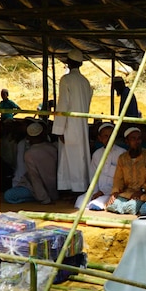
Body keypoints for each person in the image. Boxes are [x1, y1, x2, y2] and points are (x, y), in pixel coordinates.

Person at [53, 49, 93, 194]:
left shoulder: (66, 80)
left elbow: (63, 104)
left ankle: (71, 190)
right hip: (82, 125)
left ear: (69, 63)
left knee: (69, 157)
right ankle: (80, 187)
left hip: (69, 125)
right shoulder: (85, 82)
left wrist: (59, 129)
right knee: (80, 156)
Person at [4, 122, 58, 205]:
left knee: (9, 196)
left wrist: (44, 198)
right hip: (54, 188)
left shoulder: (29, 153)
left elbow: (35, 178)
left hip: (40, 191)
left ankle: (38, 197)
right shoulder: (53, 148)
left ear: (29, 137)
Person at [75, 122, 126, 211]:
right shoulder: (97, 154)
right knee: (80, 201)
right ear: (100, 138)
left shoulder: (121, 153)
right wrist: (95, 191)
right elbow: (93, 175)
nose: (109, 139)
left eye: (111, 135)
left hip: (112, 192)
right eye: (105, 136)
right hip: (97, 190)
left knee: (96, 205)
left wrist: (104, 192)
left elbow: (122, 179)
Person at [107, 127, 146, 216]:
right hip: (127, 193)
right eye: (133, 139)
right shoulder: (122, 158)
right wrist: (114, 194)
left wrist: (141, 191)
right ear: (127, 142)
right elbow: (118, 179)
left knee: (132, 207)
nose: (136, 142)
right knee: (111, 206)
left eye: (139, 139)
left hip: (144, 194)